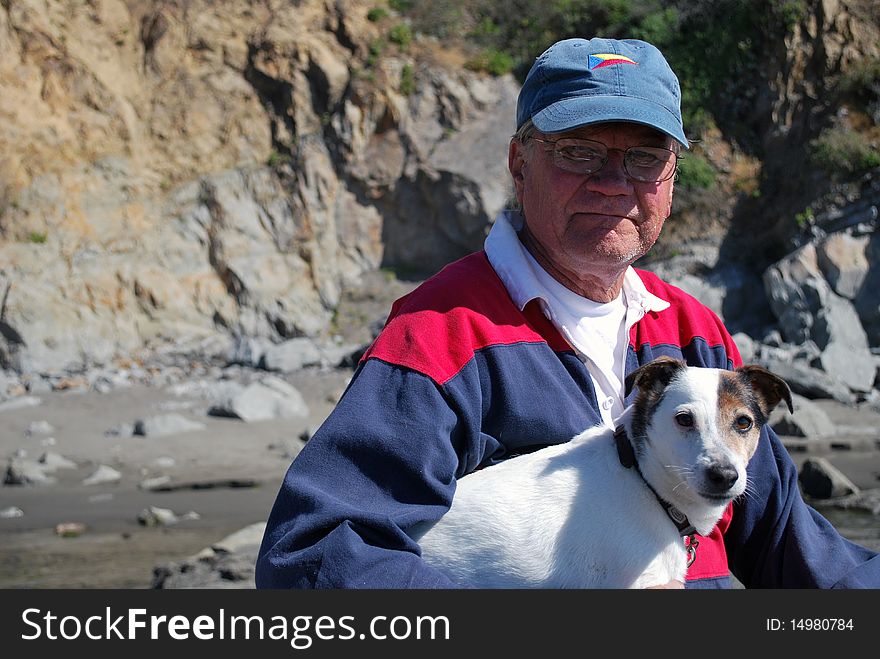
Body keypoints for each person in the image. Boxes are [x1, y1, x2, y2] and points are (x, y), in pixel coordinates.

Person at [255, 37, 880, 588]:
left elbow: (785, 544)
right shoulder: (440, 336)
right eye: (579, 151)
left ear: (671, 179)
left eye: (644, 157)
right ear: (519, 162)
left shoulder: (694, 331)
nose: (614, 182)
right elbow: (317, 553)